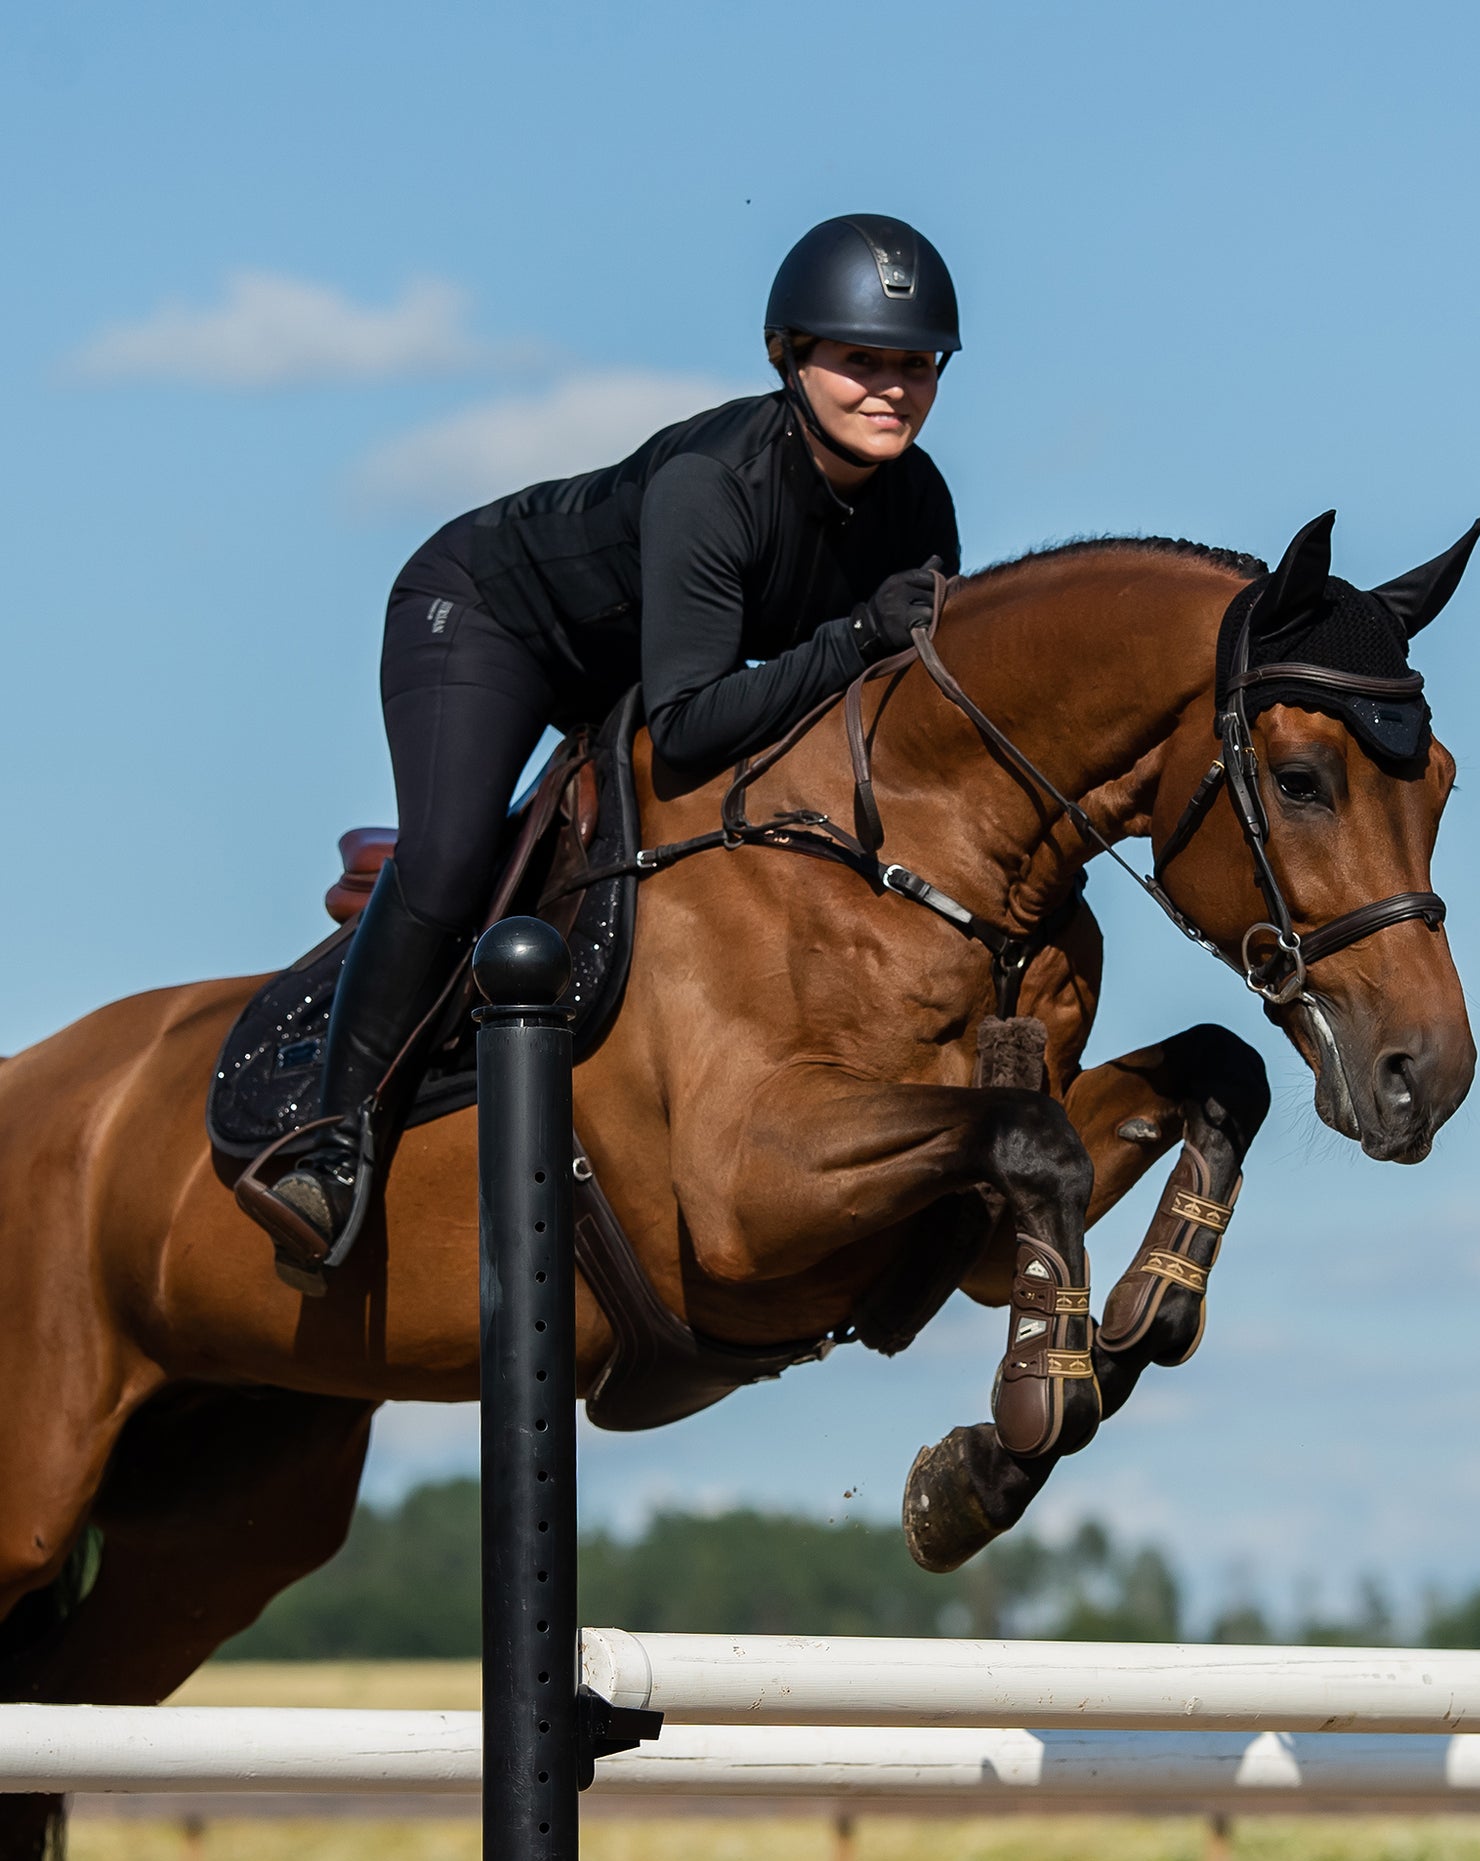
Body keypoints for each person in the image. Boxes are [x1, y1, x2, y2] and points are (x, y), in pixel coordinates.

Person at [244, 212, 963, 1283]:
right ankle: (332, 1142)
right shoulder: (715, 484)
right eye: (861, 360)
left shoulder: (920, 501)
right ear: (790, 358)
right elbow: (687, 727)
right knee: (448, 862)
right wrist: (858, 636)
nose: (891, 388)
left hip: (643, 663)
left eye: (915, 365)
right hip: (490, 618)